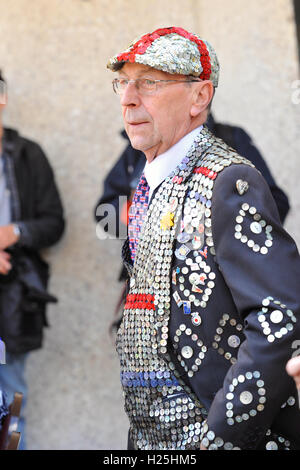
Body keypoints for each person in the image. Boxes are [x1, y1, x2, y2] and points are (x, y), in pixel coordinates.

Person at [106, 26, 300, 451]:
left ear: (200, 97)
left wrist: (218, 439)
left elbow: (279, 321)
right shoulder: (151, 178)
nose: (128, 98)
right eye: (123, 82)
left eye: (150, 83)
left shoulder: (230, 180)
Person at [0, 70, 65, 449]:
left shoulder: (27, 154)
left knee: (11, 400)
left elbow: (54, 223)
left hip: (13, 299)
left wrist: (15, 232)